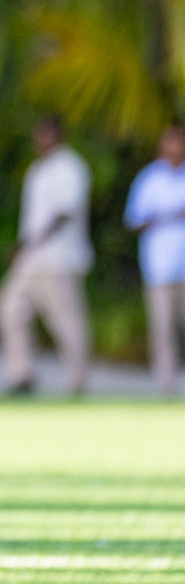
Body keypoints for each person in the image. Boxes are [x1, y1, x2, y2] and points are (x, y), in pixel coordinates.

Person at [0, 116, 92, 396]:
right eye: (39, 135)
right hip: (31, 260)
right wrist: (24, 247)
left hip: (60, 259)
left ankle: (76, 382)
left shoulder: (71, 167)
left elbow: (64, 212)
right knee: (8, 311)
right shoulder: (37, 170)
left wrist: (34, 242)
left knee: (66, 322)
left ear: (59, 135)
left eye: (46, 134)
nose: (41, 140)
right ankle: (21, 376)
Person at [123, 126, 185, 395]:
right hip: (158, 266)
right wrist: (163, 217)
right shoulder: (149, 178)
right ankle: (166, 385)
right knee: (162, 328)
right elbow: (133, 220)